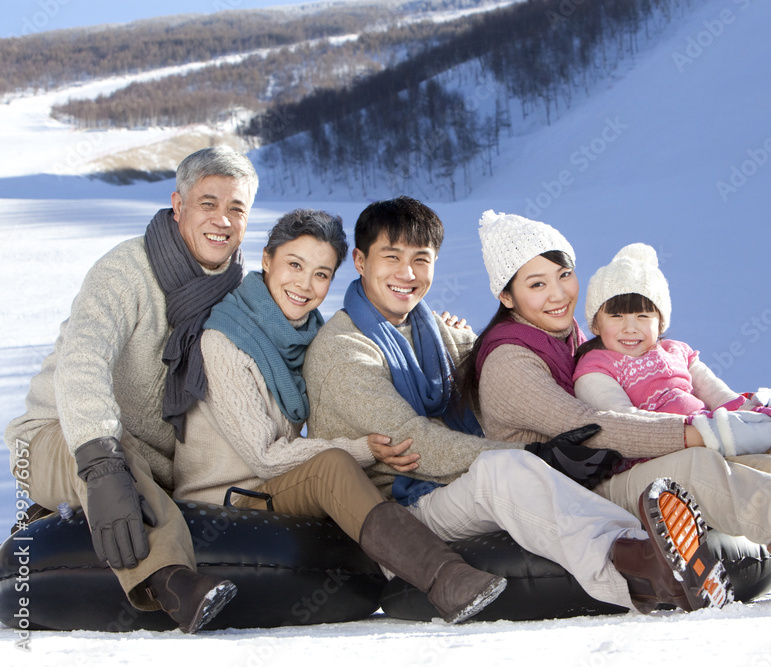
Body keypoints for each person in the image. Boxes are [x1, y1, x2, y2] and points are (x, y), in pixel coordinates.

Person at [467, 210, 771, 601]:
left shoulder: (577, 334)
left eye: (564, 275)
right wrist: (703, 432)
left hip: (630, 466)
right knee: (700, 464)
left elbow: (691, 386)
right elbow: (593, 427)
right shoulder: (511, 360)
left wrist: (756, 412)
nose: (558, 294)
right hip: (576, 498)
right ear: (506, 296)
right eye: (536, 284)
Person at [302, 196, 733, 613]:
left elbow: (493, 366)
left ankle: (663, 550)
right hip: (399, 516)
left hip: (449, 493)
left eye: (421, 258)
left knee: (521, 469)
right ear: (360, 262)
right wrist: (534, 455)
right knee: (503, 470)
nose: (408, 272)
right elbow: (419, 448)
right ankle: (639, 572)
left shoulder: (435, 331)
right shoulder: (343, 351)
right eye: (391, 257)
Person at [173, 208, 507, 624]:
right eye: (294, 265)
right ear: (266, 259)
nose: (305, 284)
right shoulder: (224, 341)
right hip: (228, 498)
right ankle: (444, 579)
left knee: (336, 465)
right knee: (333, 464)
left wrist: (446, 330)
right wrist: (364, 449)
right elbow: (264, 456)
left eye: (321, 274)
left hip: (278, 489)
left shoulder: (308, 334)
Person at [4, 146, 259, 633]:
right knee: (116, 456)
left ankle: (43, 527)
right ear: (178, 204)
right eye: (208, 203)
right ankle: (171, 583)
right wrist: (100, 465)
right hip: (59, 435)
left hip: (157, 462)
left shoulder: (238, 294)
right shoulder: (127, 270)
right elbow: (83, 359)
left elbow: (292, 343)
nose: (222, 220)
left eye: (237, 208)